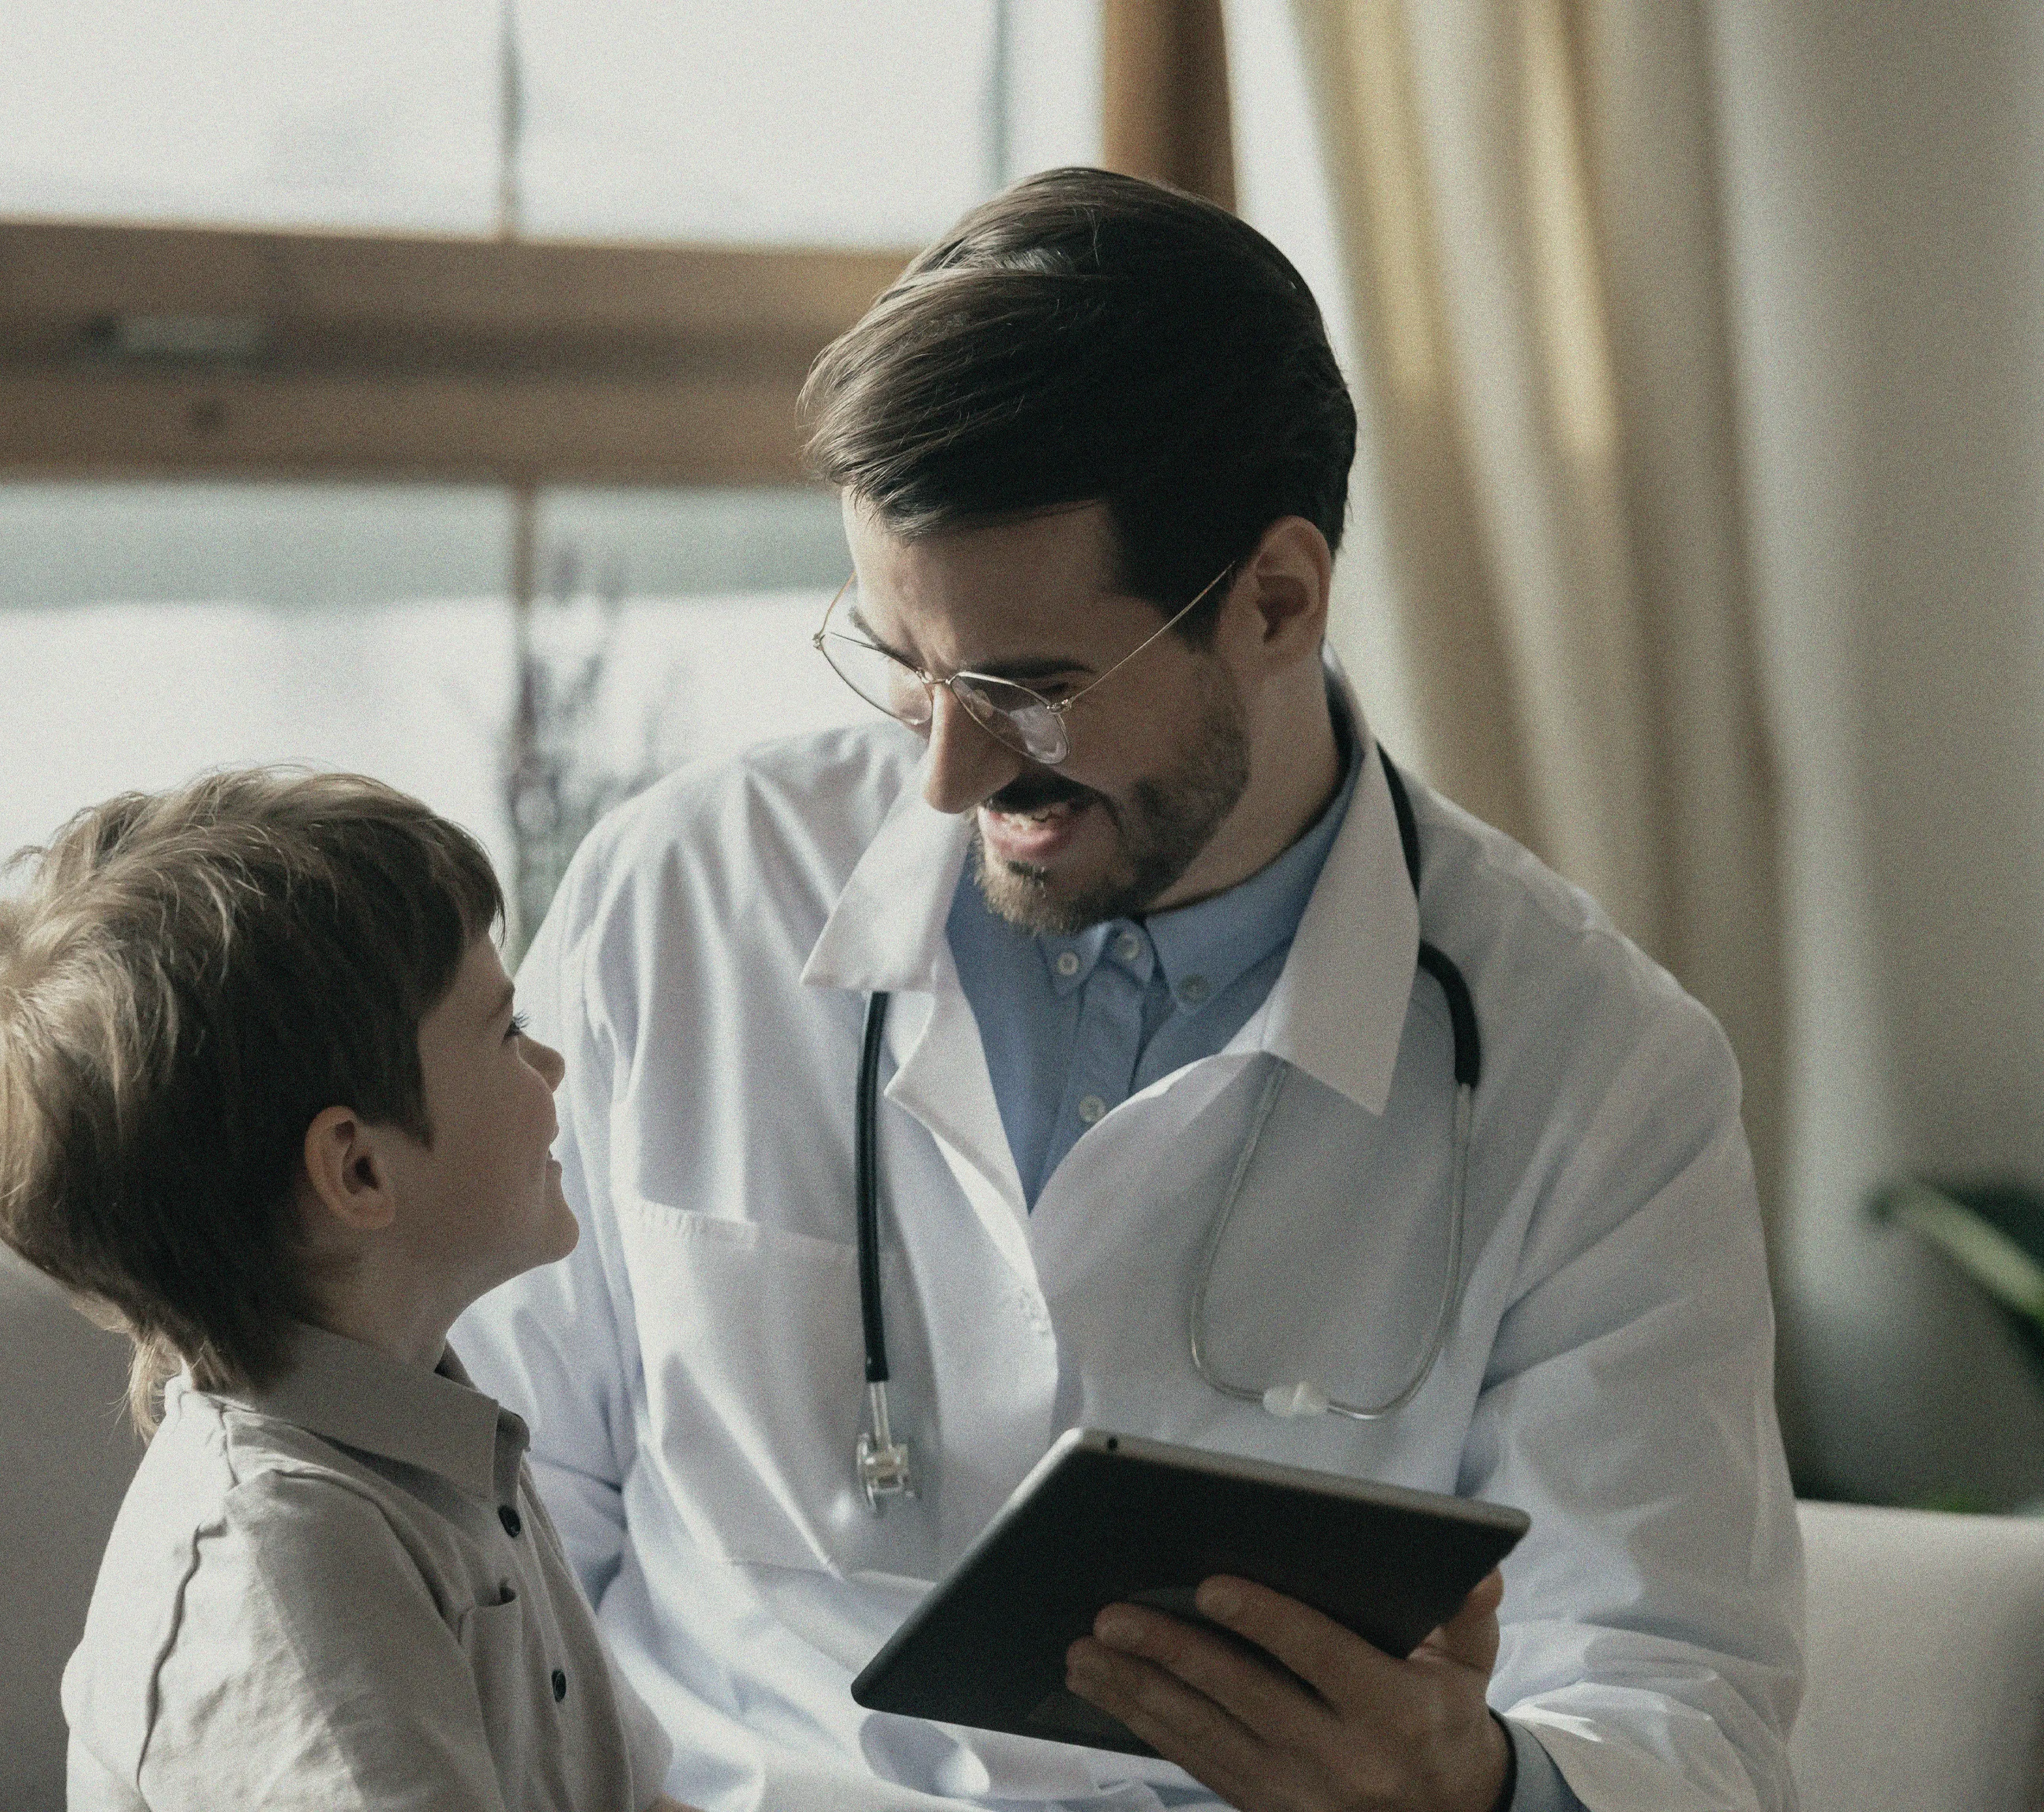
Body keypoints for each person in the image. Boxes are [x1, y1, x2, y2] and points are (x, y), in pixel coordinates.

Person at [458, 168, 1802, 1812]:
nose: (946, 774)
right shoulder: (682, 897)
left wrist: (1471, 1784)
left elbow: (1685, 1714)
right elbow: (483, 1526)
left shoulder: (1602, 1073)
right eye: (903, 665)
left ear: (1277, 598)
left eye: (1026, 688)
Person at [0, 769, 690, 1812]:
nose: (554, 1065)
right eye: (507, 1032)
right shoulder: (283, 1567)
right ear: (359, 1171)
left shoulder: (448, 1447)